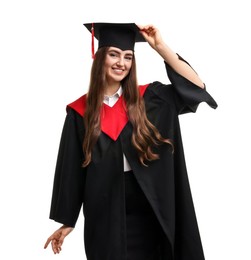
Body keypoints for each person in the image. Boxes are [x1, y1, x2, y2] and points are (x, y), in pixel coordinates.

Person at [44, 23, 217, 260]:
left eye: (128, 57)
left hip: (153, 206)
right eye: (114, 54)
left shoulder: (152, 98)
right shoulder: (79, 113)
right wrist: (67, 221)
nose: (121, 63)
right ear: (99, 56)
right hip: (106, 212)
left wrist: (160, 46)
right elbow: (72, 169)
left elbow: (197, 88)